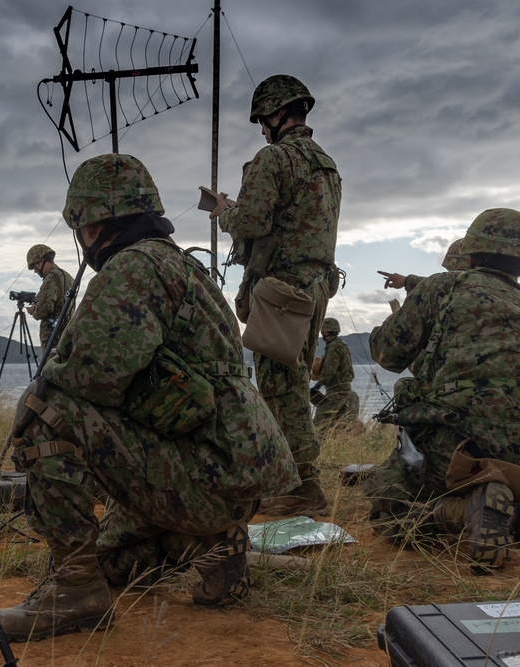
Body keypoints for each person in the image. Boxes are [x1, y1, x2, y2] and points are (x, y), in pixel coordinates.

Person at [0, 153, 299, 642]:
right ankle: (210, 546)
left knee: (41, 413)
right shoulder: (180, 264)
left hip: (206, 471)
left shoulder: (134, 268)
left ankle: (75, 592)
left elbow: (85, 378)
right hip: (228, 475)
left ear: (92, 224)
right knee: (113, 560)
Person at [364, 208, 520, 569]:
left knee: (387, 508)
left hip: (467, 444)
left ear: (471, 253)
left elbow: (388, 354)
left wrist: (384, 328)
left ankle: (463, 511)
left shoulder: (442, 287)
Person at [209, 74, 341, 516]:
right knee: (293, 382)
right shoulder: (326, 165)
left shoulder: (274, 159)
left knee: (281, 389)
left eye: (262, 120)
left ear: (275, 114)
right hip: (315, 287)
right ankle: (294, 480)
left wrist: (226, 213)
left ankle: (302, 488)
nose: (262, 128)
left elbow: (251, 224)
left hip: (284, 289)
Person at [311, 317, 360, 429]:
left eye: (322, 331)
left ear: (326, 331)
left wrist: (317, 385)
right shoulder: (341, 345)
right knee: (341, 420)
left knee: (320, 420)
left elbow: (330, 369)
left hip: (337, 390)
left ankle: (320, 443)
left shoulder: (333, 347)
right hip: (343, 388)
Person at [25, 243, 74, 351]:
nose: (35, 271)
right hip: (67, 334)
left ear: (41, 261)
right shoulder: (68, 276)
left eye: (34, 266)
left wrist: (33, 310)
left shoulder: (51, 277)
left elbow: (44, 309)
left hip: (53, 337)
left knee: (50, 367)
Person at [378, 238, 467, 292]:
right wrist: (406, 281)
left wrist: (406, 281)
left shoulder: (463, 290)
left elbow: (444, 287)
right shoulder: (474, 286)